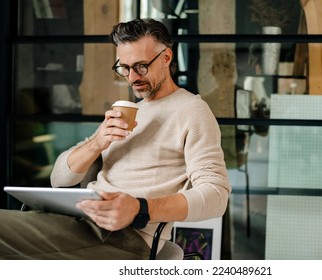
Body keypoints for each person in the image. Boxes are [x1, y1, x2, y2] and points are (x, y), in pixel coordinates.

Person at [0, 18, 231, 259]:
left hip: (121, 237)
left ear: (166, 58)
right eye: (124, 68)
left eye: (141, 66)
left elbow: (216, 195)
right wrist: (98, 142)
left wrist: (140, 208)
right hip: (78, 222)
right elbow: (59, 179)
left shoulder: (191, 110)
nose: (132, 78)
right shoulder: (129, 112)